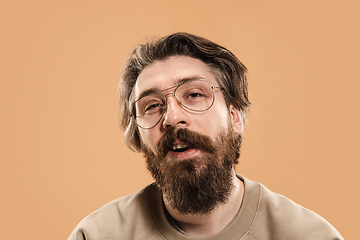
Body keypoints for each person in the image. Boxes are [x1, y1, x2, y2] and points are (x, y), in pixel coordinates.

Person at [68, 32, 343, 239]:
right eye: (152, 106)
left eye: (195, 94)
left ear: (234, 116)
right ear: (140, 139)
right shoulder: (96, 235)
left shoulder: (310, 235)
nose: (172, 117)